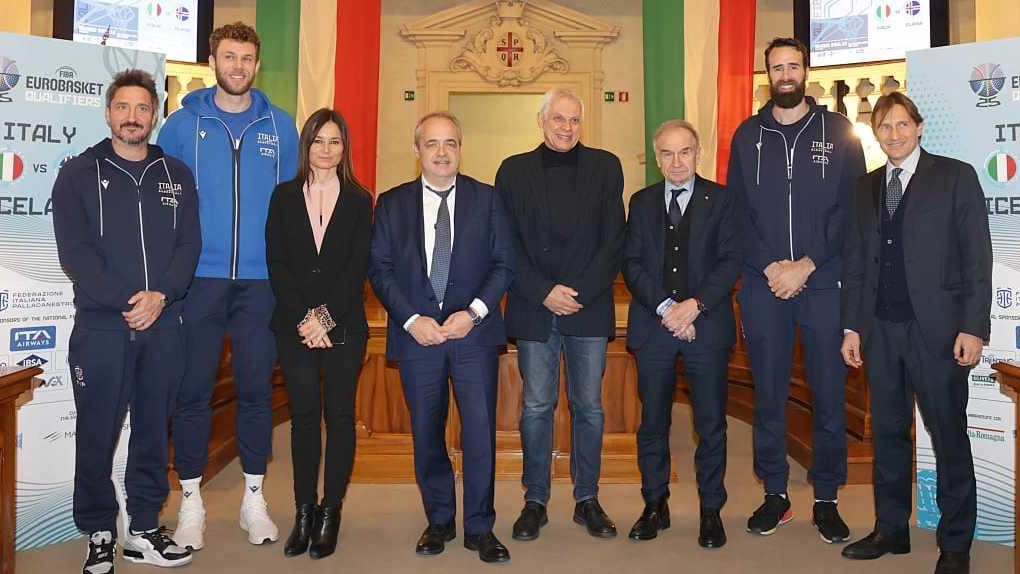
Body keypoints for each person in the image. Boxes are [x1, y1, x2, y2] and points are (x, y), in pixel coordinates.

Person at [52, 69, 200, 573]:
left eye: (142, 108)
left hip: (164, 324)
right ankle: (98, 530)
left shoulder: (176, 174)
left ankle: (142, 528)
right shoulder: (78, 173)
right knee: (97, 431)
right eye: (123, 107)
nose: (132, 117)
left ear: (154, 114)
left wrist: (161, 296)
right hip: (101, 328)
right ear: (108, 112)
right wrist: (127, 300)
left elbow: (189, 245)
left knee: (154, 432)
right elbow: (75, 252)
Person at [157, 21, 299, 549]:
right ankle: (191, 501)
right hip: (199, 281)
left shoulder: (280, 127)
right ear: (213, 62)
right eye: (229, 57)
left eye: (246, 58)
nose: (238, 66)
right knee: (192, 391)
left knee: (257, 390)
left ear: (256, 65)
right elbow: (161, 204)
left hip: (260, 283)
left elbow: (292, 209)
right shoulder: (180, 125)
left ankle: (253, 499)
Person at [840, 92, 990, 574]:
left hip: (940, 333)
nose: (895, 133)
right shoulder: (864, 188)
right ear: (876, 132)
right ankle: (891, 528)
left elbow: (976, 257)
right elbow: (856, 264)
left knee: (948, 437)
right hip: (880, 331)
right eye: (885, 126)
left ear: (920, 127)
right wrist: (852, 327)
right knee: (886, 435)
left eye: (903, 124)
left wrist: (973, 326)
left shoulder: (955, 176)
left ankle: (955, 543)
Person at [726, 36, 865, 542]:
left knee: (828, 394)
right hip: (764, 287)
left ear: (806, 71)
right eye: (776, 67)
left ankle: (826, 497)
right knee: (768, 394)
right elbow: (735, 214)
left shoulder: (840, 131)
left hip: (824, 282)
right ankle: (775, 495)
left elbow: (853, 213)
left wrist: (805, 265)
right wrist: (771, 267)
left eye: (793, 66)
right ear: (768, 74)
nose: (785, 74)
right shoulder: (747, 136)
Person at [368, 111, 514, 563]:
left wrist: (473, 313)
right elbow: (380, 269)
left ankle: (480, 526)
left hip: (473, 335)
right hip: (419, 338)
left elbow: (504, 264)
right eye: (432, 144)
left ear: (460, 147)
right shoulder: (392, 204)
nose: (441, 152)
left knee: (479, 433)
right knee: (427, 431)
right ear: (417, 151)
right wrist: (412, 320)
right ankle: (439, 520)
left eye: (450, 143)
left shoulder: (488, 200)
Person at [496, 87, 625, 540]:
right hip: (535, 308)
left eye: (574, 119)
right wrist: (544, 291)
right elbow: (505, 244)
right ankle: (535, 500)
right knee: (536, 406)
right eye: (558, 119)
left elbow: (615, 240)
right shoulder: (513, 171)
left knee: (588, 406)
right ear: (542, 120)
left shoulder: (606, 167)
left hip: (588, 308)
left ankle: (586, 498)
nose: (567, 127)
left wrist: (580, 293)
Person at [622, 120, 741, 547]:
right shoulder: (640, 202)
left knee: (710, 426)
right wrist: (667, 308)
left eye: (685, 152)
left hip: (706, 327)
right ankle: (655, 505)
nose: (677, 161)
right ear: (657, 158)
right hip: (654, 329)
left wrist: (694, 306)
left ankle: (711, 510)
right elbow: (631, 263)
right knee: (653, 422)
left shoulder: (723, 200)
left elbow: (731, 261)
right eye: (668, 154)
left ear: (698, 153)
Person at [265, 108, 372, 560]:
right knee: (304, 418)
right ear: (305, 145)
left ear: (344, 148)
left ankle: (331, 511)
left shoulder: (359, 199)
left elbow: (357, 268)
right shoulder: (284, 196)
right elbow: (278, 264)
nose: (326, 150)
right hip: (294, 327)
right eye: (318, 141)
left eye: (334, 141)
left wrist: (324, 319)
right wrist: (304, 320)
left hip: (343, 325)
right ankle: (304, 512)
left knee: (340, 417)